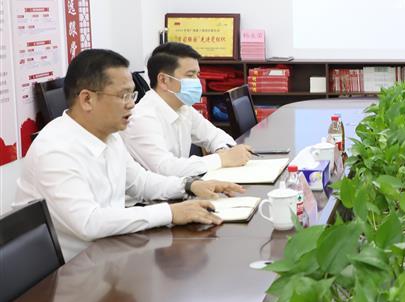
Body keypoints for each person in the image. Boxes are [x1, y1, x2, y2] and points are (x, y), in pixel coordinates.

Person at [16, 49, 242, 261]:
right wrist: (170, 212)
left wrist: (190, 186)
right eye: (123, 96)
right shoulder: (55, 150)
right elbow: (89, 223)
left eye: (131, 94)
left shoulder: (109, 135)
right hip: (72, 272)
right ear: (87, 99)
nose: (131, 105)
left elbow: (140, 182)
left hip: (110, 252)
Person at [121, 42, 252, 177]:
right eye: (190, 75)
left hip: (182, 184)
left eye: (197, 75)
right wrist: (221, 159)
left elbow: (215, 135)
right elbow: (164, 168)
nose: (197, 81)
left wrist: (224, 151)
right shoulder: (142, 118)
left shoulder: (183, 107)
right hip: (159, 189)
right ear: (163, 80)